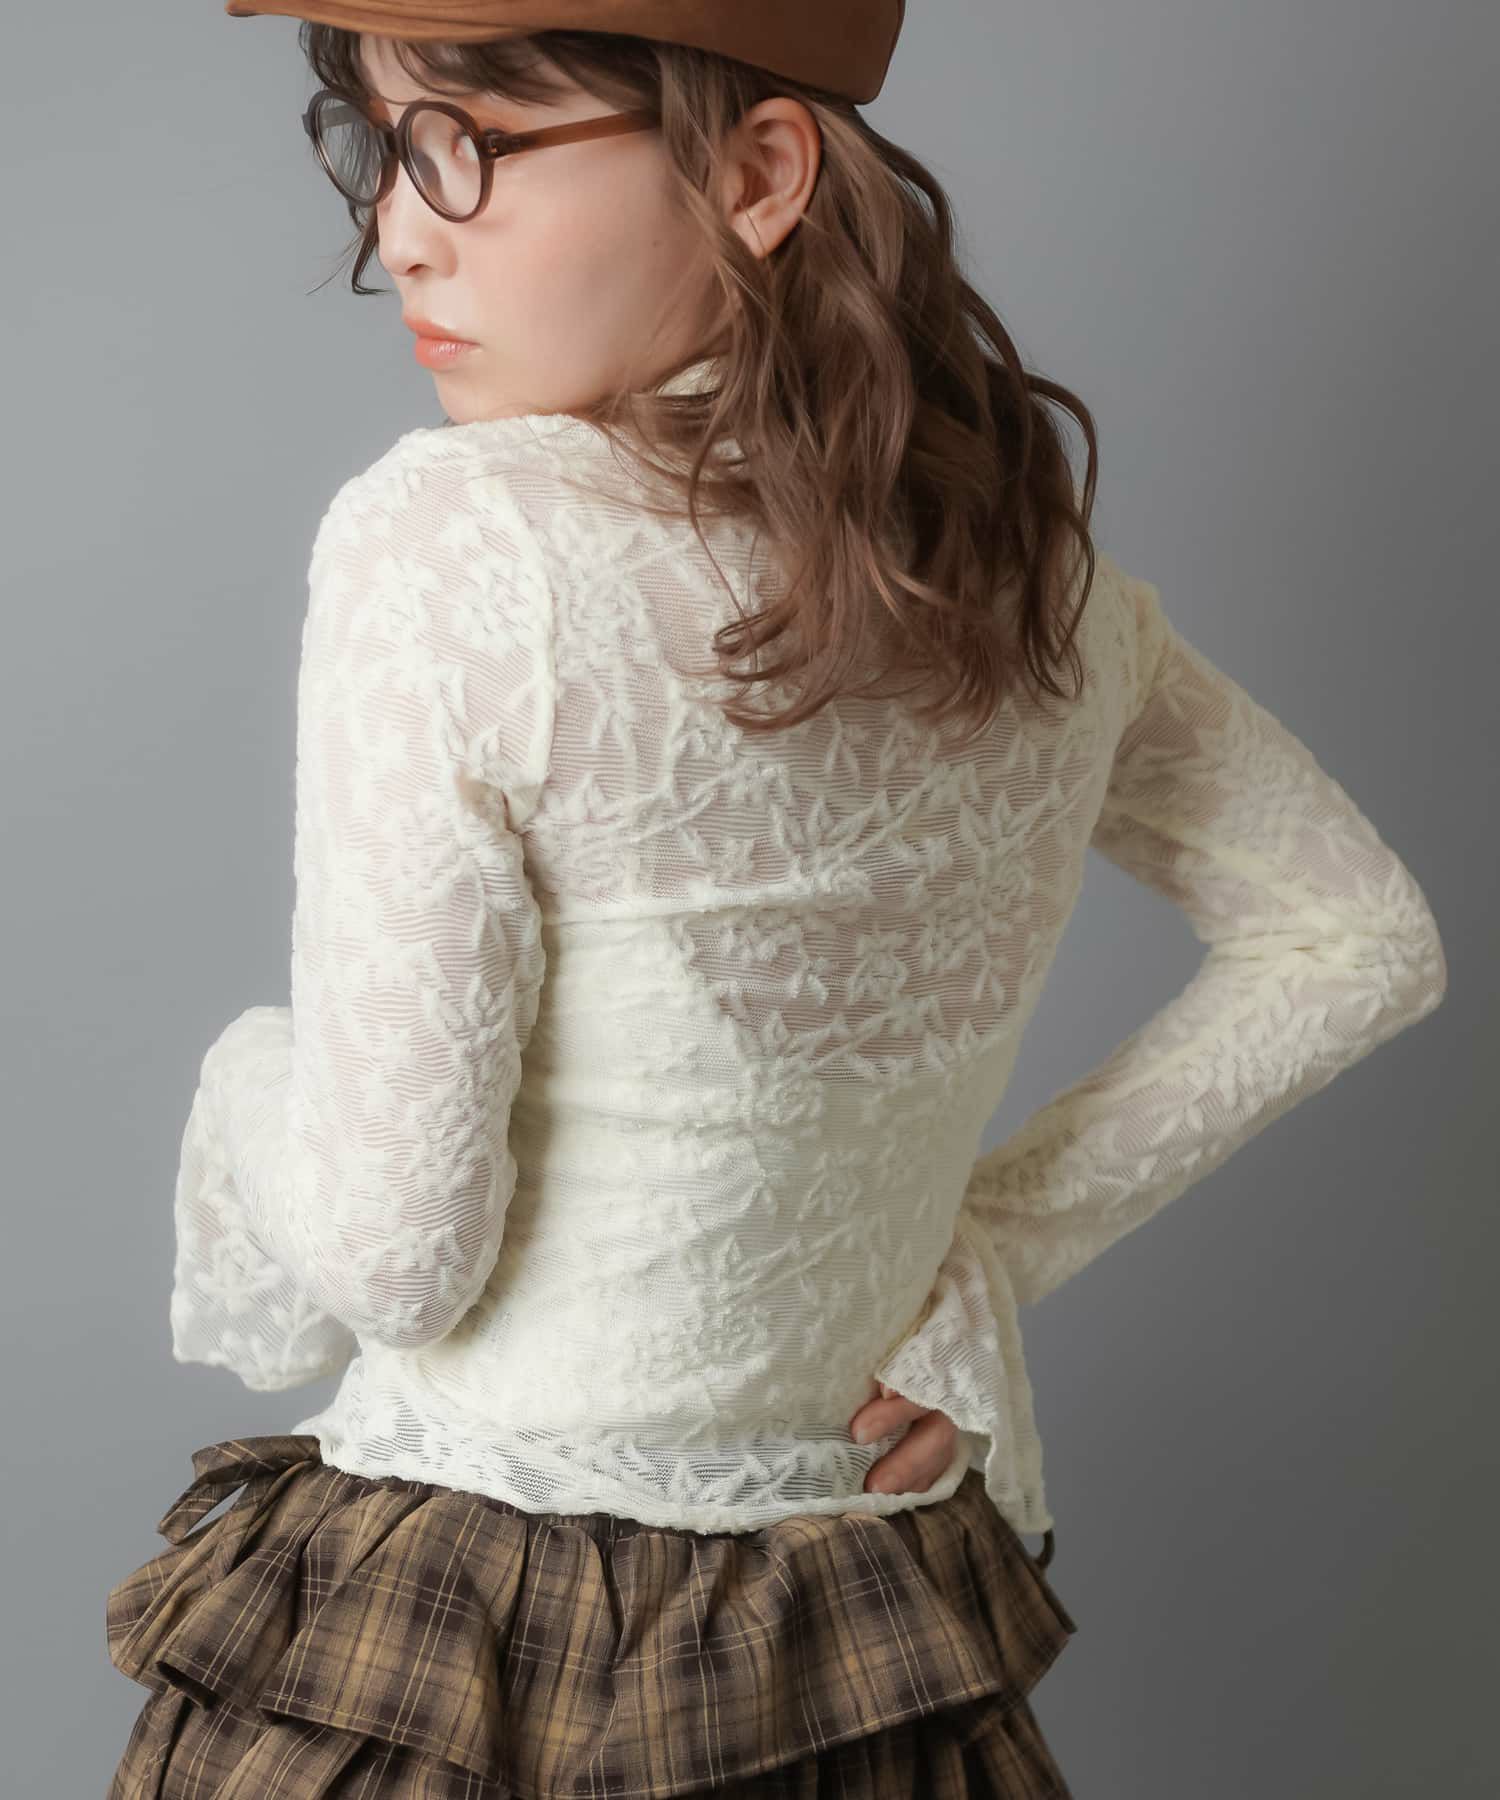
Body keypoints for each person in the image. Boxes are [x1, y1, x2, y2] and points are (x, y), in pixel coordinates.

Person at [103, 4, 1449, 1796]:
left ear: (756, 174)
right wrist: (984, 1247)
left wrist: (245, 1080)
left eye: (468, 147)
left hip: (474, 1651)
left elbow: (395, 1255)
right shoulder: (1040, 591)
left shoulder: (457, 542)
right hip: (856, 1651)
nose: (398, 231)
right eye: (379, 143)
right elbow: (1358, 939)